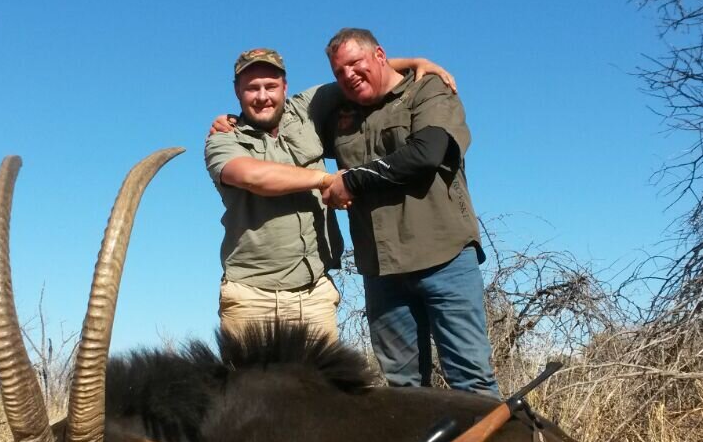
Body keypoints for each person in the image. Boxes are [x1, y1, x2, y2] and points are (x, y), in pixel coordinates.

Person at [205, 47, 454, 342]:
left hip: (315, 295)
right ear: (237, 92)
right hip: (252, 297)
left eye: (270, 86)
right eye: (251, 88)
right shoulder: (223, 140)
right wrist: (326, 180)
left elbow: (357, 75)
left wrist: (414, 61)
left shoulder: (307, 107)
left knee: (321, 388)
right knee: (249, 388)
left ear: (284, 86)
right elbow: (253, 176)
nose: (262, 96)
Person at [319, 28, 499, 397]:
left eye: (356, 63)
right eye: (339, 72)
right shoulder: (339, 113)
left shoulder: (427, 89)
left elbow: (426, 154)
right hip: (382, 271)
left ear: (381, 55)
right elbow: (279, 115)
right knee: (404, 392)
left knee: (472, 383)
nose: (348, 75)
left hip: (444, 260)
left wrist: (351, 181)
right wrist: (232, 119)